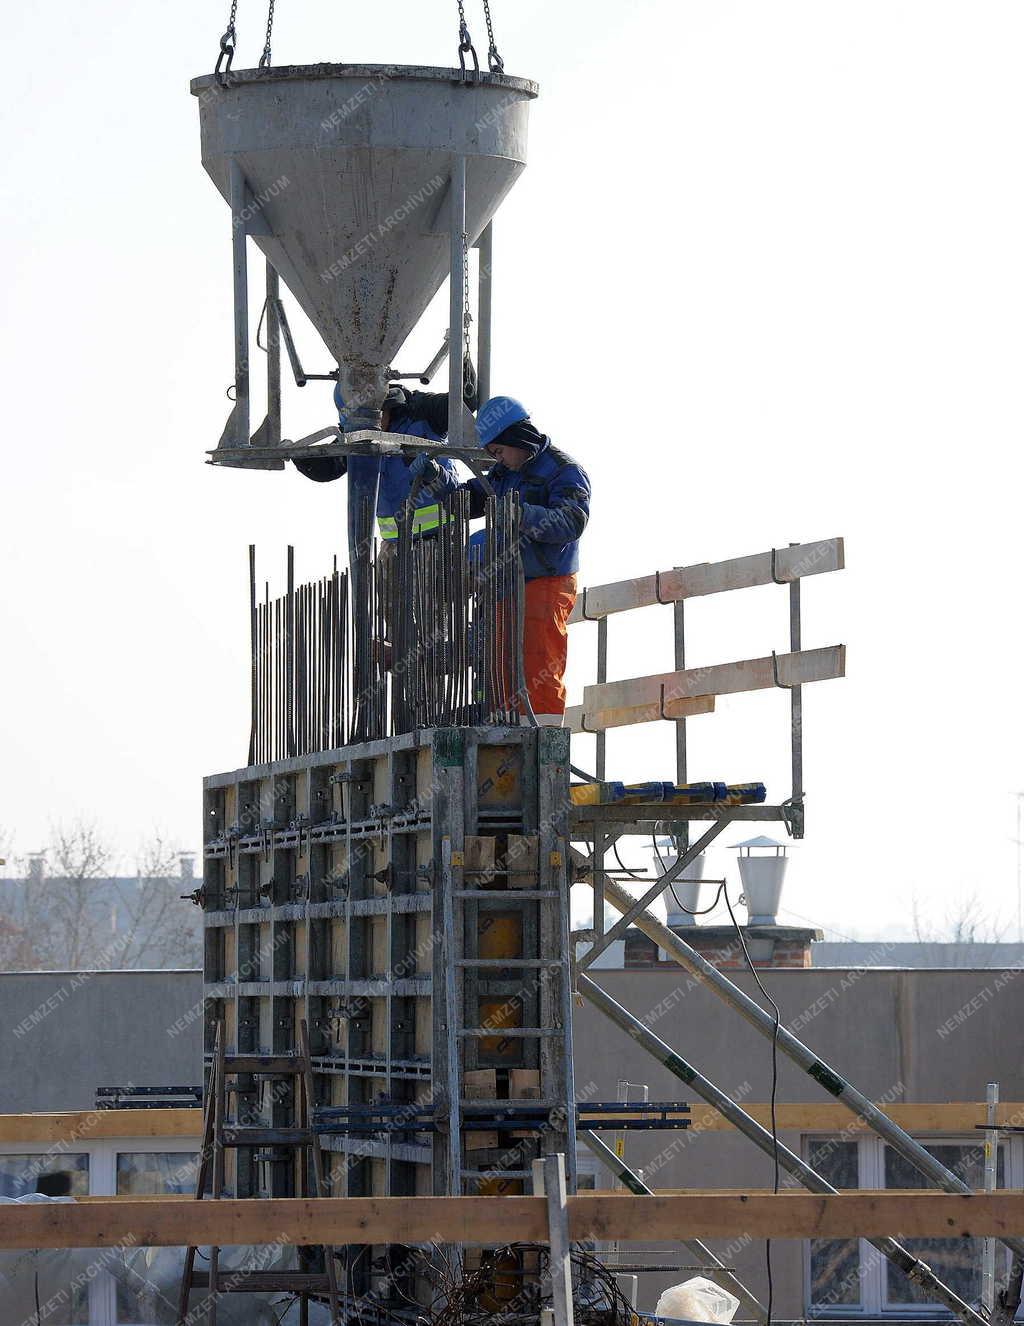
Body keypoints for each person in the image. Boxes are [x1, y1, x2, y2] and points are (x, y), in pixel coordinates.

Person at [411, 396, 590, 724]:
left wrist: (521, 515)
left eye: (498, 451)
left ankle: (542, 740)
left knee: (537, 661)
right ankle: (505, 733)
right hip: (506, 578)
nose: (498, 459)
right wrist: (437, 479)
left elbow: (571, 522)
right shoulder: (506, 472)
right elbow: (469, 500)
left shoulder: (564, 471)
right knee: (500, 662)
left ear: (516, 437)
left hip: (545, 580)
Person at [292, 359, 479, 547]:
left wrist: (463, 361)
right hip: (393, 545)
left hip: (442, 539)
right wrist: (297, 454)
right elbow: (326, 467)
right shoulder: (357, 435)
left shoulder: (422, 411)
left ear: (385, 406)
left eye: (371, 419)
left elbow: (464, 402)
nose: (367, 428)